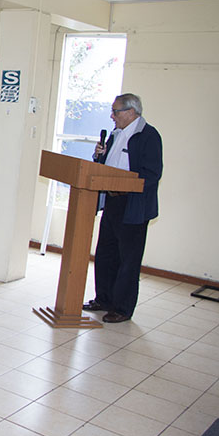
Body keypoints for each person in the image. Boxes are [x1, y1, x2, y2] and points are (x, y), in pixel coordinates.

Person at [83, 93, 163, 323]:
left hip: (133, 205)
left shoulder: (148, 136)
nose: (112, 116)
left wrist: (125, 184)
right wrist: (99, 157)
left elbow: (152, 174)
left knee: (128, 259)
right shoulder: (116, 135)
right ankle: (104, 299)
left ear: (131, 112)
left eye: (115, 111)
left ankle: (122, 308)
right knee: (106, 254)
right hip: (112, 201)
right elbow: (108, 166)